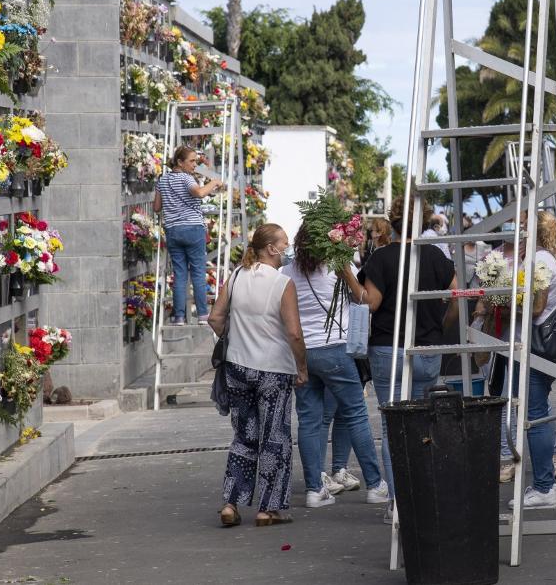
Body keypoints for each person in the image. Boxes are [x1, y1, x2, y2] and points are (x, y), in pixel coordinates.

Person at [359, 196, 457, 519]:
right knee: (422, 424)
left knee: (394, 428)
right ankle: (423, 498)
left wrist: (346, 273)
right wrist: (440, 326)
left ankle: (398, 503)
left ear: (393, 221)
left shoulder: (381, 258)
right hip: (427, 349)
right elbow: (457, 297)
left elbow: (371, 303)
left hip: (388, 349)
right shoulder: (435, 256)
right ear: (425, 221)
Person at [282, 224, 390, 509]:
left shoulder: (287, 272)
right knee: (356, 414)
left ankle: (314, 490)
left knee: (309, 420)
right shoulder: (339, 269)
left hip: (302, 353)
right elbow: (362, 300)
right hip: (335, 350)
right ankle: (375, 485)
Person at [208, 224, 307, 527]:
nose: (288, 248)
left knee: (244, 436)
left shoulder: (237, 275)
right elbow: (294, 333)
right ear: (271, 249)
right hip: (273, 369)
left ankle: (231, 503)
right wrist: (302, 367)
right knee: (274, 437)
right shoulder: (282, 283)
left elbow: (215, 317)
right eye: (284, 243)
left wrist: (234, 336)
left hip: (237, 366)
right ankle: (268, 509)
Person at [507, 210, 556, 509]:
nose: (520, 232)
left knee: (534, 416)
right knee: (538, 411)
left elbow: (536, 306)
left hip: (535, 347)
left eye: (524, 228)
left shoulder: (540, 260)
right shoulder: (552, 259)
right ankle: (548, 485)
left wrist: (505, 304)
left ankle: (544, 486)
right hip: (542, 347)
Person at [154, 145, 223, 324]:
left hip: (173, 231)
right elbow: (199, 193)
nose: (194, 165)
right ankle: (202, 315)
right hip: (193, 229)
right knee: (198, 273)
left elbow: (156, 207)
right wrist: (214, 182)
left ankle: (179, 316)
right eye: (191, 161)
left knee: (180, 275)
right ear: (179, 162)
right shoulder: (186, 178)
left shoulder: (162, 180)